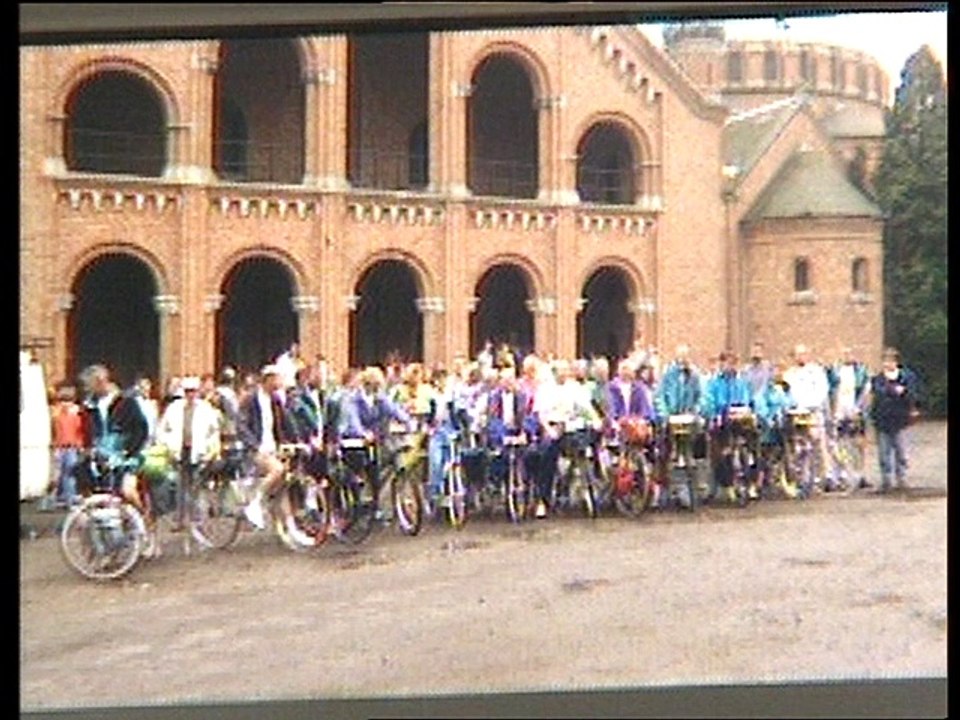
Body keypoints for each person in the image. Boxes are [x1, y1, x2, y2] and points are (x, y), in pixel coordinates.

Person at [77, 364, 150, 511]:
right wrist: (88, 448)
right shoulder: (90, 406)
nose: (87, 390)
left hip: (126, 454)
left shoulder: (126, 402)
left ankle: (143, 518)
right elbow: (88, 431)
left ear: (100, 381)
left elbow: (141, 429)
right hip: (102, 455)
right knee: (94, 493)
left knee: (126, 491)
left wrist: (129, 451)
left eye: (89, 385)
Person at [155, 376, 222, 532]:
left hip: (199, 452)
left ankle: (199, 520)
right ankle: (180, 520)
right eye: (187, 391)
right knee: (180, 486)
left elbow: (214, 431)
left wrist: (209, 448)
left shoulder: (206, 408)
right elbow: (162, 428)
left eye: (193, 391)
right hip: (179, 452)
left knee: (198, 487)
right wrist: (167, 445)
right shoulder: (174, 408)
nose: (190, 394)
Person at [236, 364, 299, 530]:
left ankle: (290, 528)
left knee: (283, 483)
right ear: (267, 380)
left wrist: (297, 441)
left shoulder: (276, 400)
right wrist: (254, 445)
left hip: (273, 448)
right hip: (254, 450)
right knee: (277, 470)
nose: (279, 383)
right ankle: (254, 503)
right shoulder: (250, 399)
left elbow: (288, 423)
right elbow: (241, 426)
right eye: (277, 379)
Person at [868, 347, 921, 494]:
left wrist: (904, 394)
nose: (887, 364)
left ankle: (902, 479)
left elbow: (912, 394)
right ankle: (886, 481)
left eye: (890, 361)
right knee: (884, 453)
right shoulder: (878, 379)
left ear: (896, 362)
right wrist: (895, 390)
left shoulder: (907, 377)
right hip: (882, 420)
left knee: (901, 451)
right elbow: (879, 392)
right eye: (885, 361)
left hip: (901, 419)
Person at [782, 344, 832, 491]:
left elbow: (822, 391)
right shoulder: (789, 374)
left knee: (818, 443)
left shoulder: (816, 372)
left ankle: (824, 476)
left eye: (803, 354)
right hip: (796, 414)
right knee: (799, 447)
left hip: (813, 412)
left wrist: (811, 405)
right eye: (798, 354)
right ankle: (802, 477)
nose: (801, 357)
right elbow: (787, 393)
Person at [826, 346, 871, 490]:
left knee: (858, 445)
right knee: (838, 445)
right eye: (845, 353)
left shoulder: (861, 371)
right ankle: (839, 476)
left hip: (855, 412)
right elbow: (829, 391)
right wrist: (832, 411)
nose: (848, 356)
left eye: (850, 353)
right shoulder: (834, 371)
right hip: (838, 412)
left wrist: (858, 409)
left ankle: (859, 475)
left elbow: (865, 392)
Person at [46, 381, 84, 508]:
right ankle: (59, 497)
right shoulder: (58, 413)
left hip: (70, 446)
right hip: (62, 446)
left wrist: (80, 445)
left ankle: (68, 497)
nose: (65, 403)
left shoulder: (75, 413)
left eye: (68, 400)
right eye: (63, 400)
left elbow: (79, 430)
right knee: (59, 474)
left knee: (69, 473)